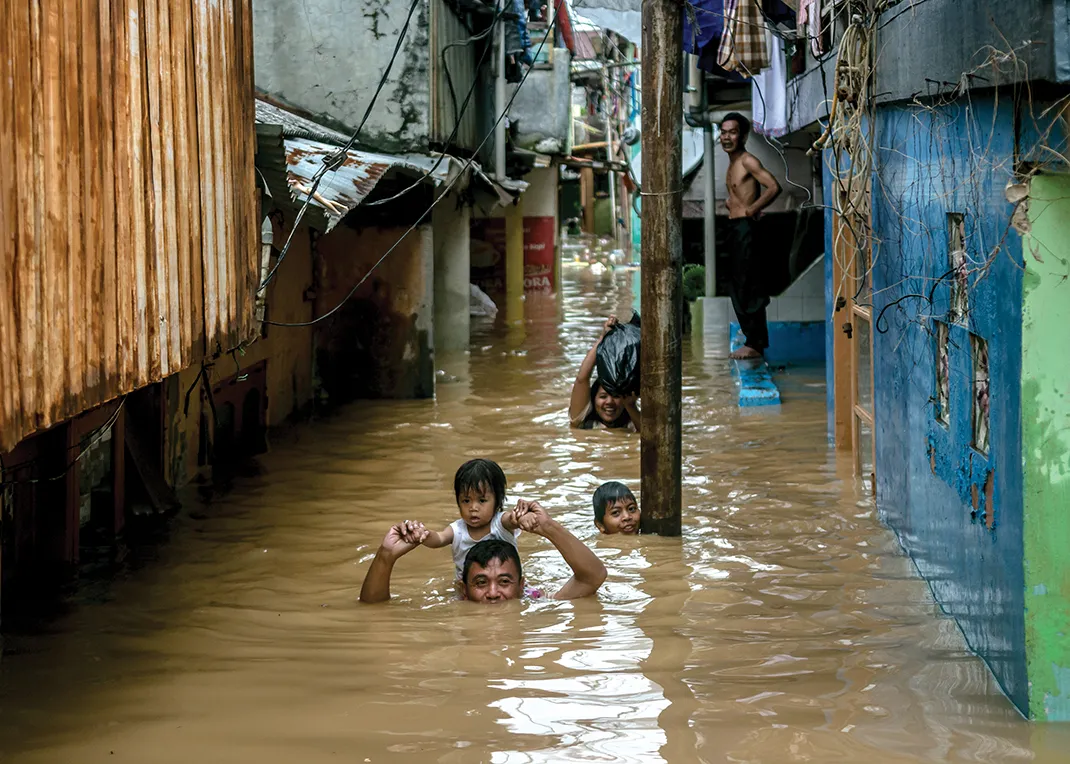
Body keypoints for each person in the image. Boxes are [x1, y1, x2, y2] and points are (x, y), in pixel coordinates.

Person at [358, 502, 607, 604]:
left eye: (505, 581)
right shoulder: (452, 606)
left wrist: (548, 527)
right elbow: (374, 611)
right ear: (463, 589)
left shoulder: (535, 601)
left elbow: (594, 577)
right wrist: (385, 556)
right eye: (480, 582)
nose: (493, 593)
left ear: (522, 586)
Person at [719, 112, 782, 360]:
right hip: (736, 227)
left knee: (749, 285)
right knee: (737, 285)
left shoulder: (747, 161)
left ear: (743, 136)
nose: (726, 137)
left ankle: (756, 344)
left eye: (732, 132)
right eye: (723, 132)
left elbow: (774, 186)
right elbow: (740, 193)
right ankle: (751, 339)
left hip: (746, 228)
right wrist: (732, 204)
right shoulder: (732, 163)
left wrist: (752, 209)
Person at [415, 459, 521, 581]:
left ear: (497, 502)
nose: (473, 508)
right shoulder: (457, 530)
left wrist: (523, 517)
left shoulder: (501, 524)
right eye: (466, 501)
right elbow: (439, 539)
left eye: (482, 500)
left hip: (505, 585)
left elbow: (513, 519)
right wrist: (424, 535)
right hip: (468, 590)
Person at [568, 316, 641, 433]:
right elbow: (582, 379)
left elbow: (649, 437)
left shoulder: (632, 425)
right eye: (603, 396)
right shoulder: (582, 421)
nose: (609, 402)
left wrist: (630, 405)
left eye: (616, 396)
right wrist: (603, 338)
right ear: (593, 399)